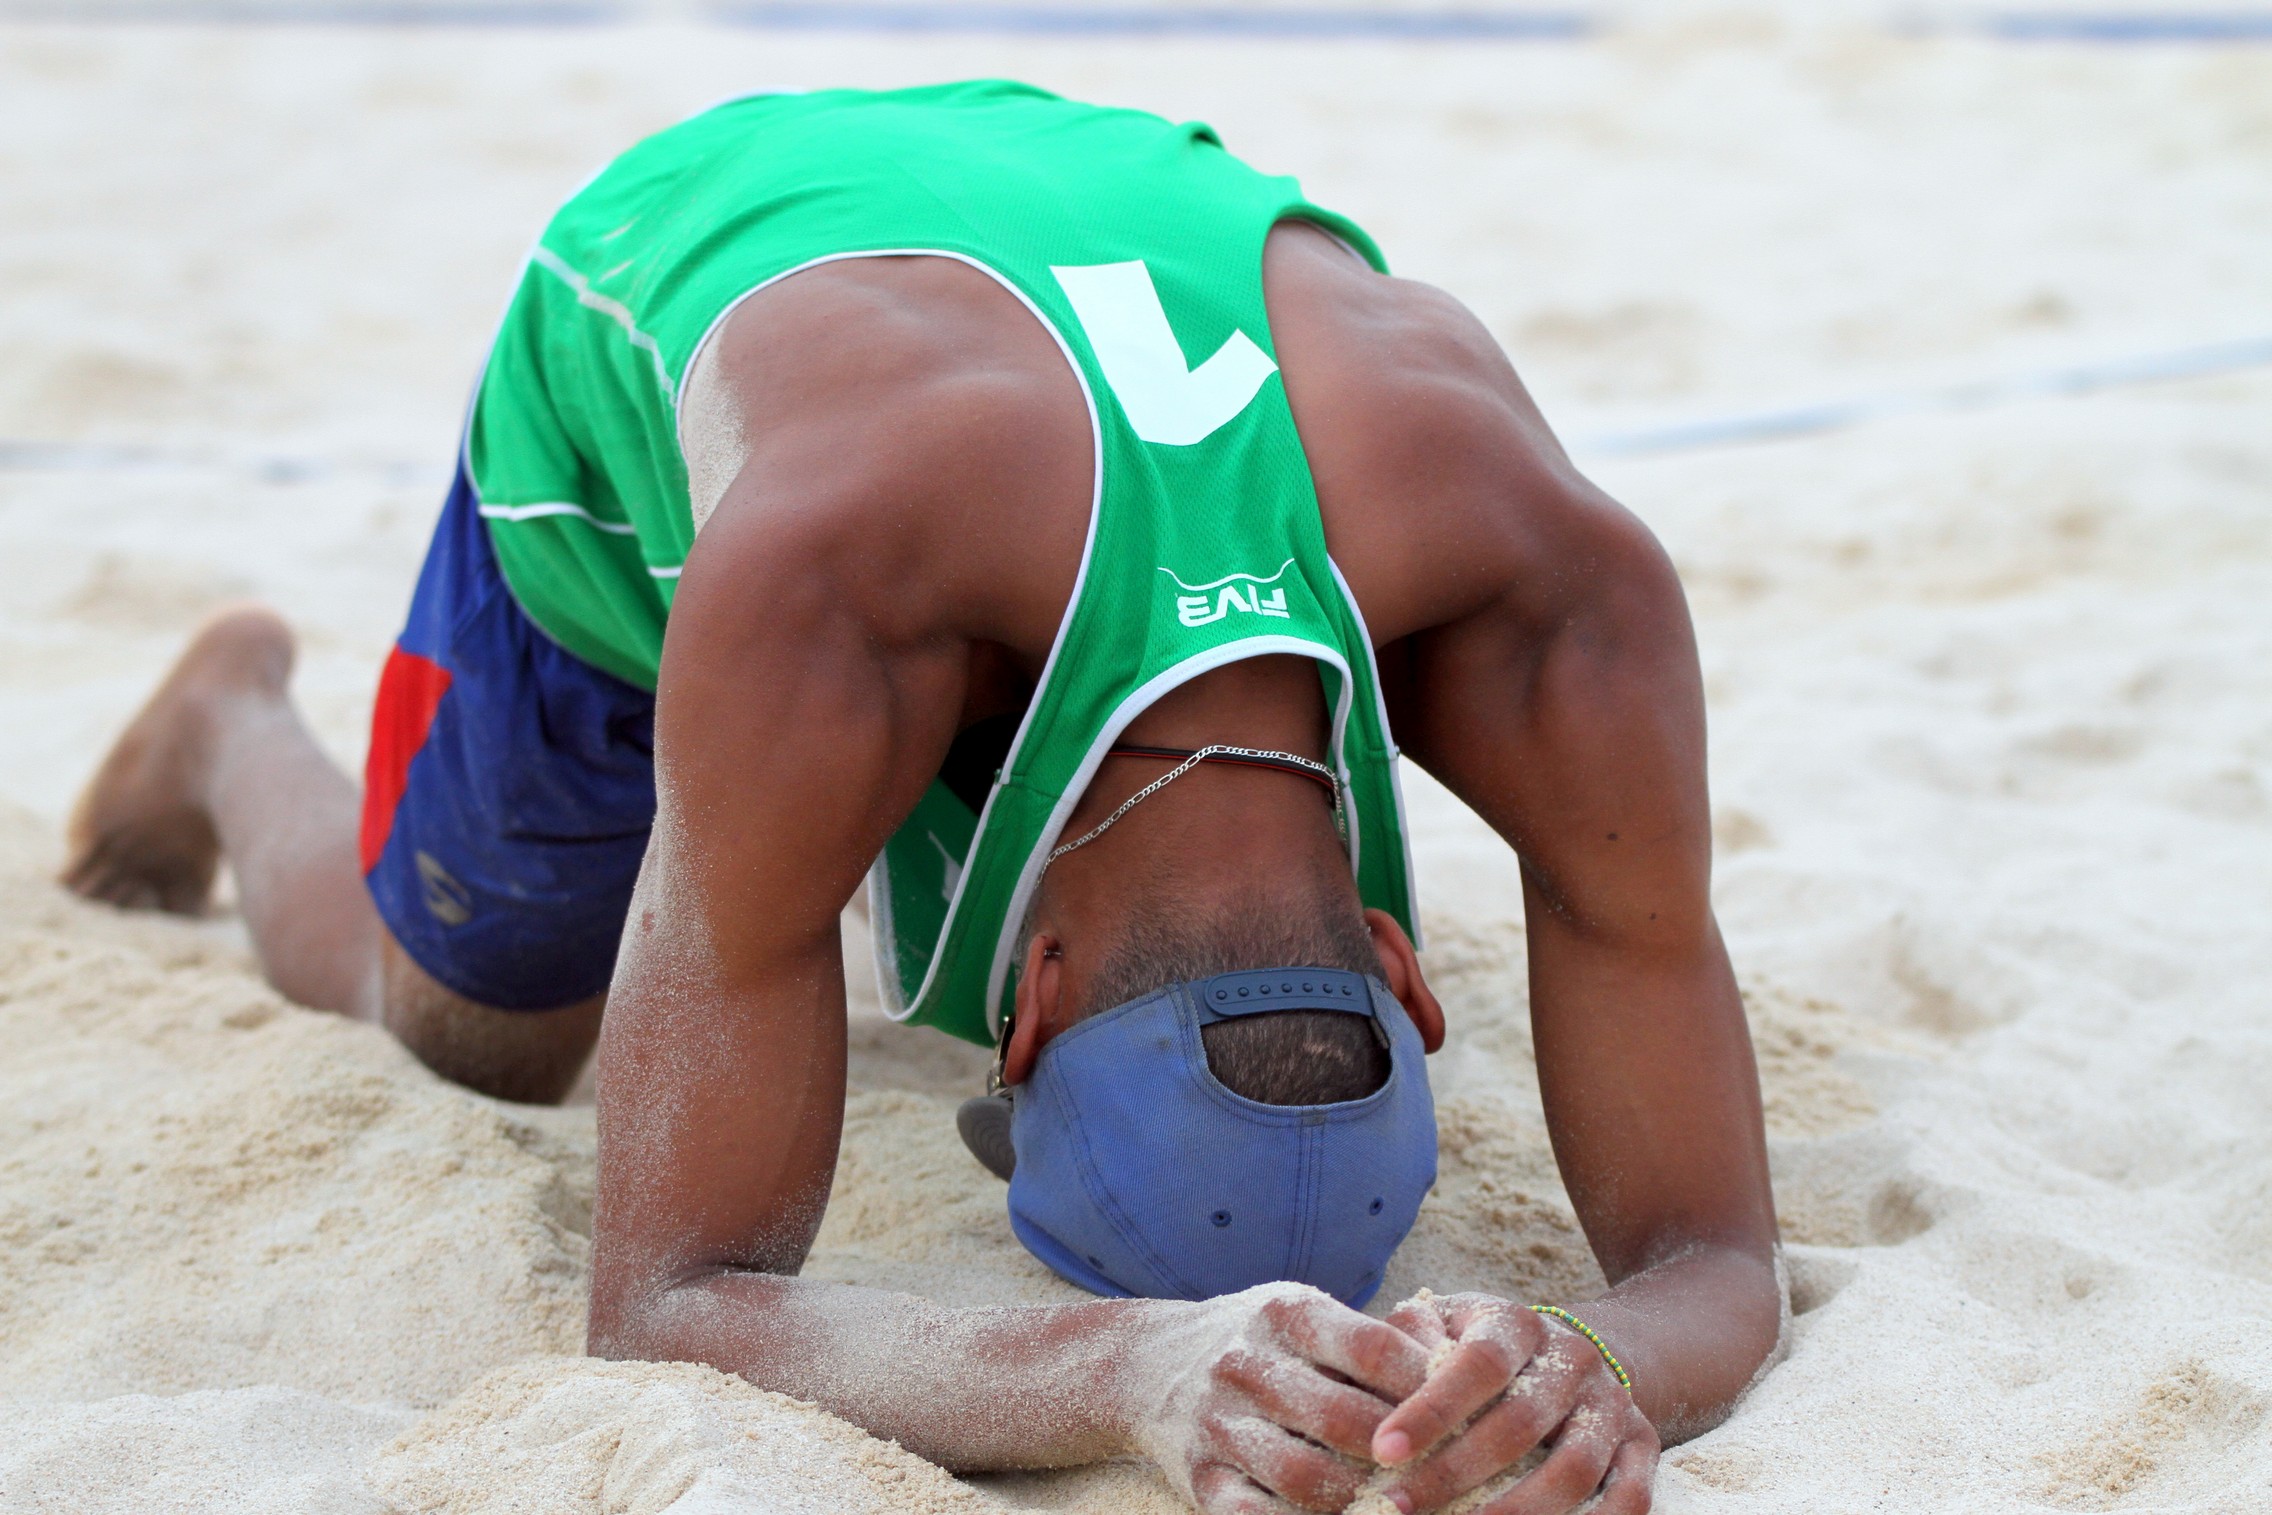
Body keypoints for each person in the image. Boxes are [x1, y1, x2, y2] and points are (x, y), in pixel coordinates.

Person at [63, 82, 1781, 1515]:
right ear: (1025, 1010)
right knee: (470, 1030)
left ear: (1396, 967)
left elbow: (1713, 1269)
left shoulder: (1546, 583)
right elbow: (661, 1303)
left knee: (794, 822)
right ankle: (232, 722)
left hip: (1088, 192)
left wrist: (1595, 1357)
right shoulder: (824, 598)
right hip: (686, 254)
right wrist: (1124, 1372)